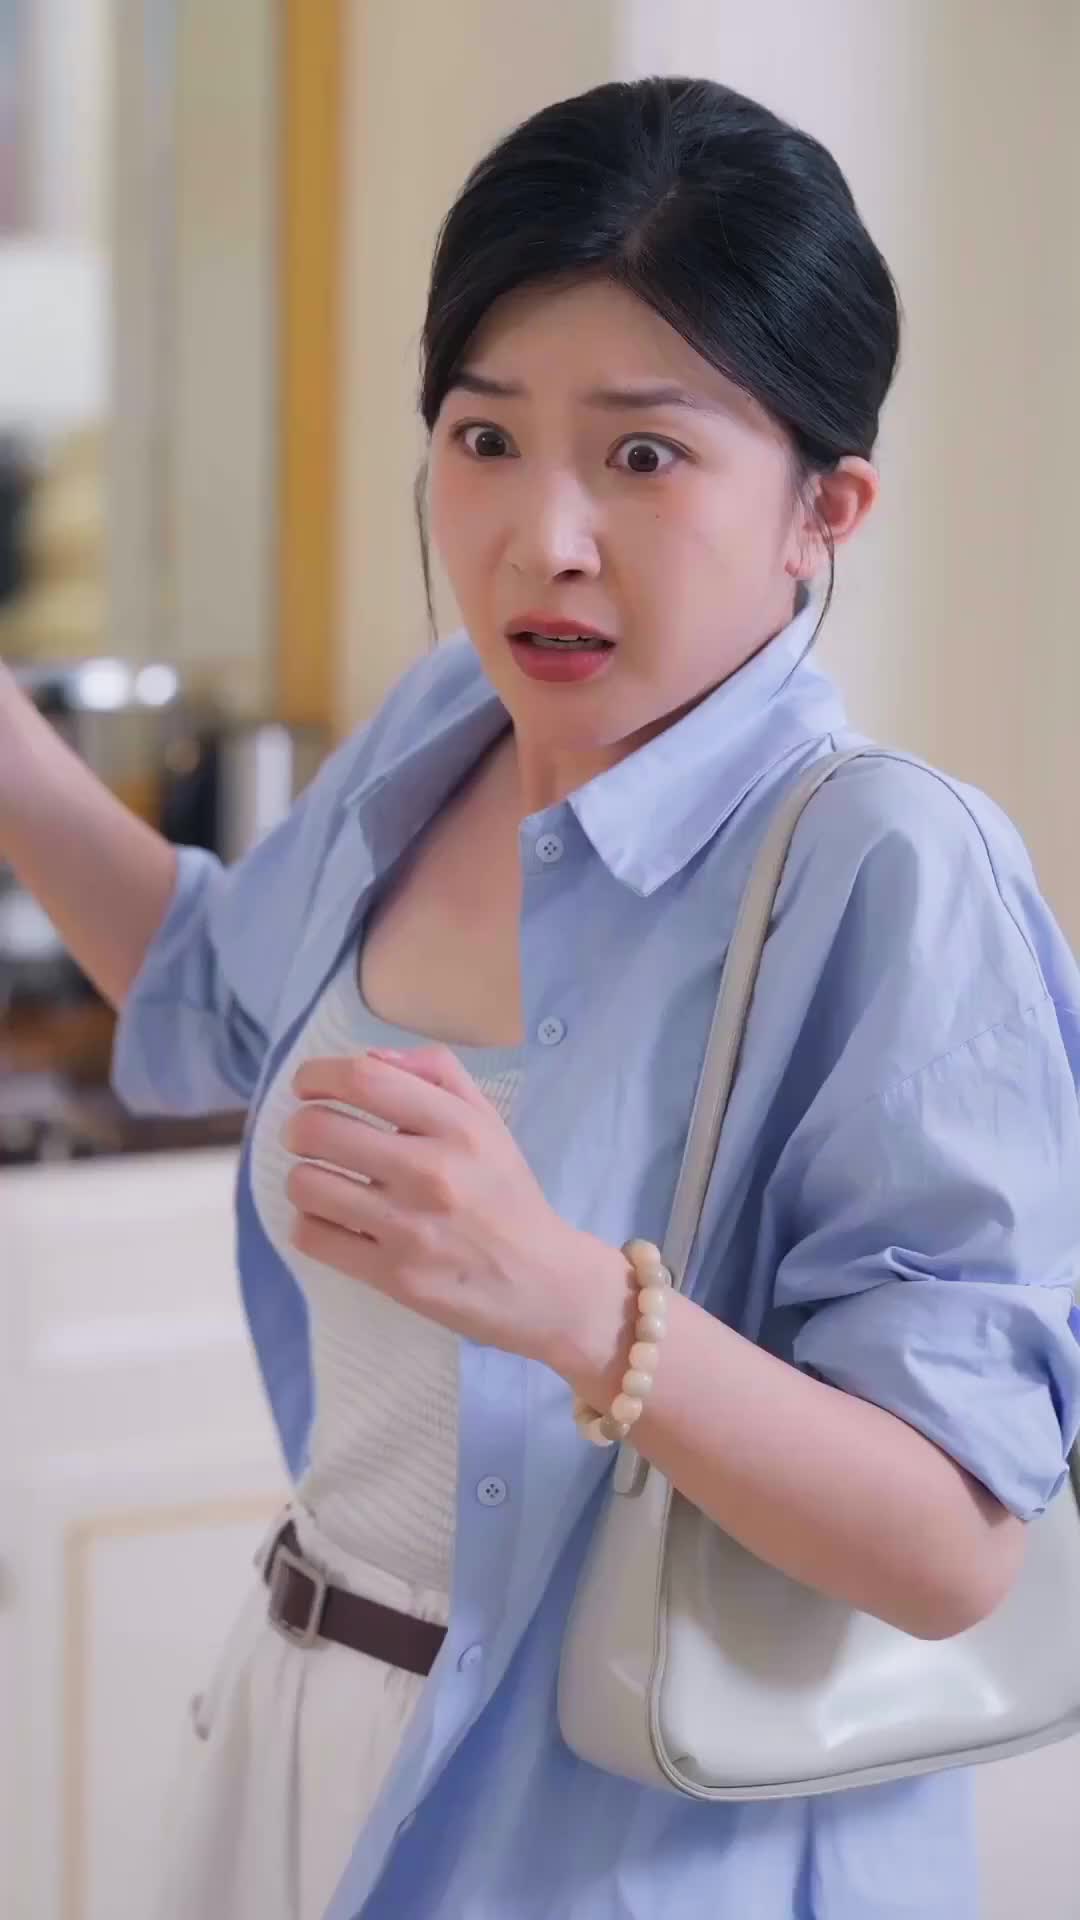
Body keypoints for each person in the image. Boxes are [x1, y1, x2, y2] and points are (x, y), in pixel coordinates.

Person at [2, 73, 1079, 1920]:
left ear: (825, 506)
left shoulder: (892, 872)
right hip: (299, 1745)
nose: (542, 535)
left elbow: (953, 1540)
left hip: (628, 1843)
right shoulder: (448, 730)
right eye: (485, 437)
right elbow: (203, 993)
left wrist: (576, 1304)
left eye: (643, 458)